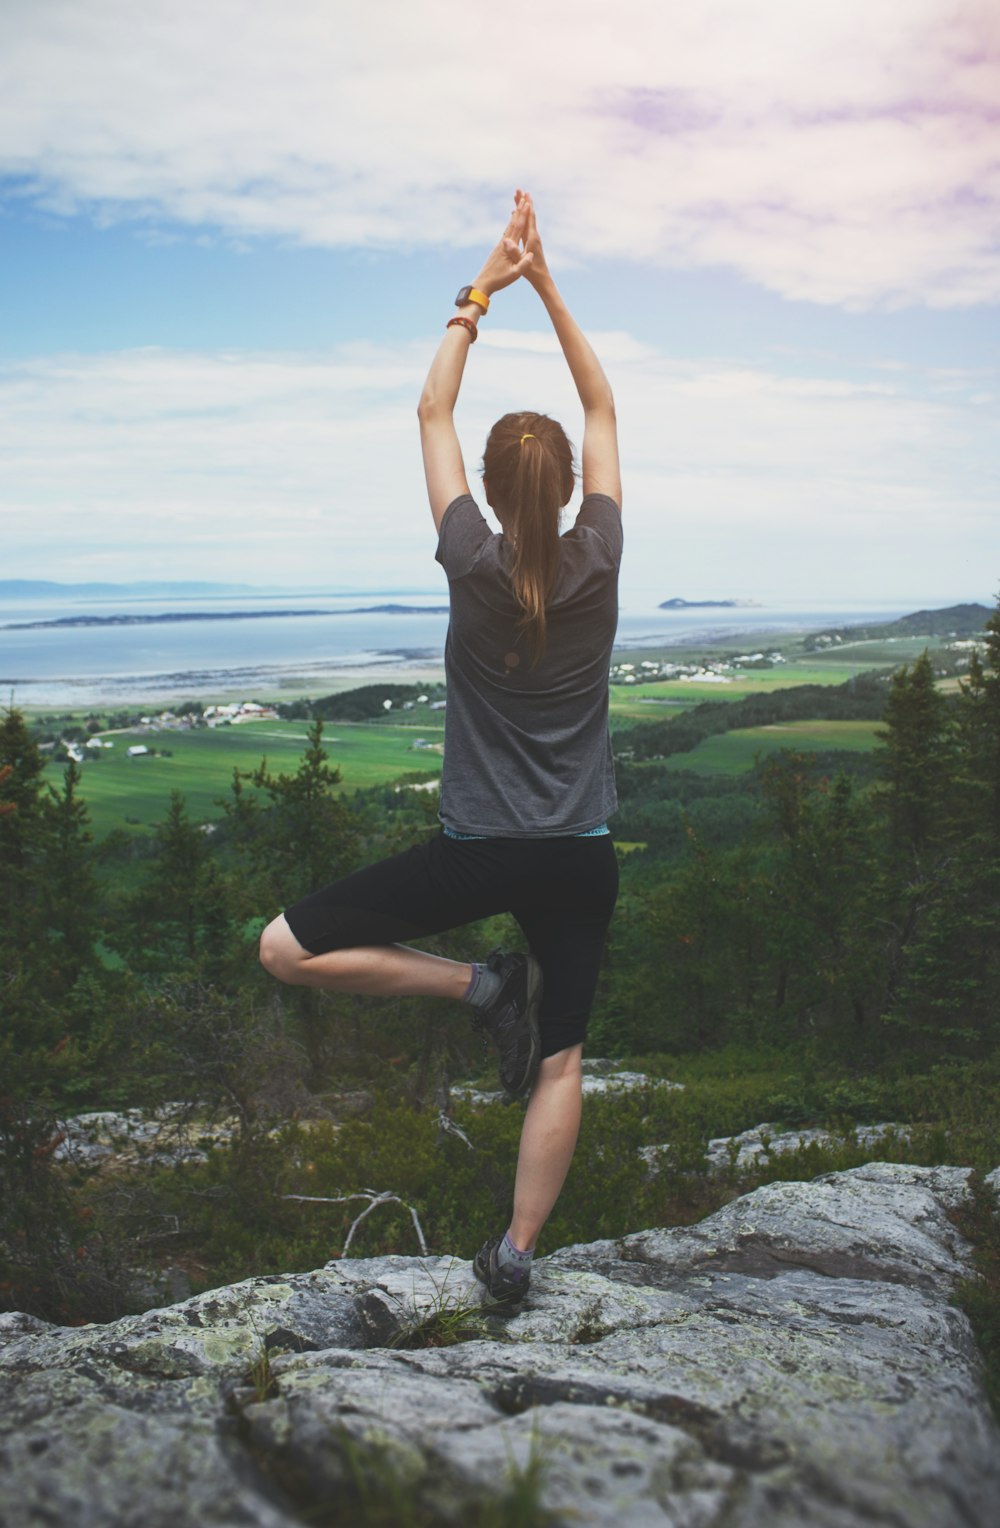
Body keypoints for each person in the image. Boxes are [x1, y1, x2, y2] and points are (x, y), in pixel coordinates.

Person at [259, 189, 622, 1303]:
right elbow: (602, 401)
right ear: (563, 492)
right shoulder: (600, 554)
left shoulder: (468, 556)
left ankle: (476, 986)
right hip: (576, 850)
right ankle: (513, 1256)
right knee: (561, 1057)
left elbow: (430, 413)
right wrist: (550, 280)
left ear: (497, 495)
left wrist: (484, 287)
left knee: (283, 947)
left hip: (475, 846)